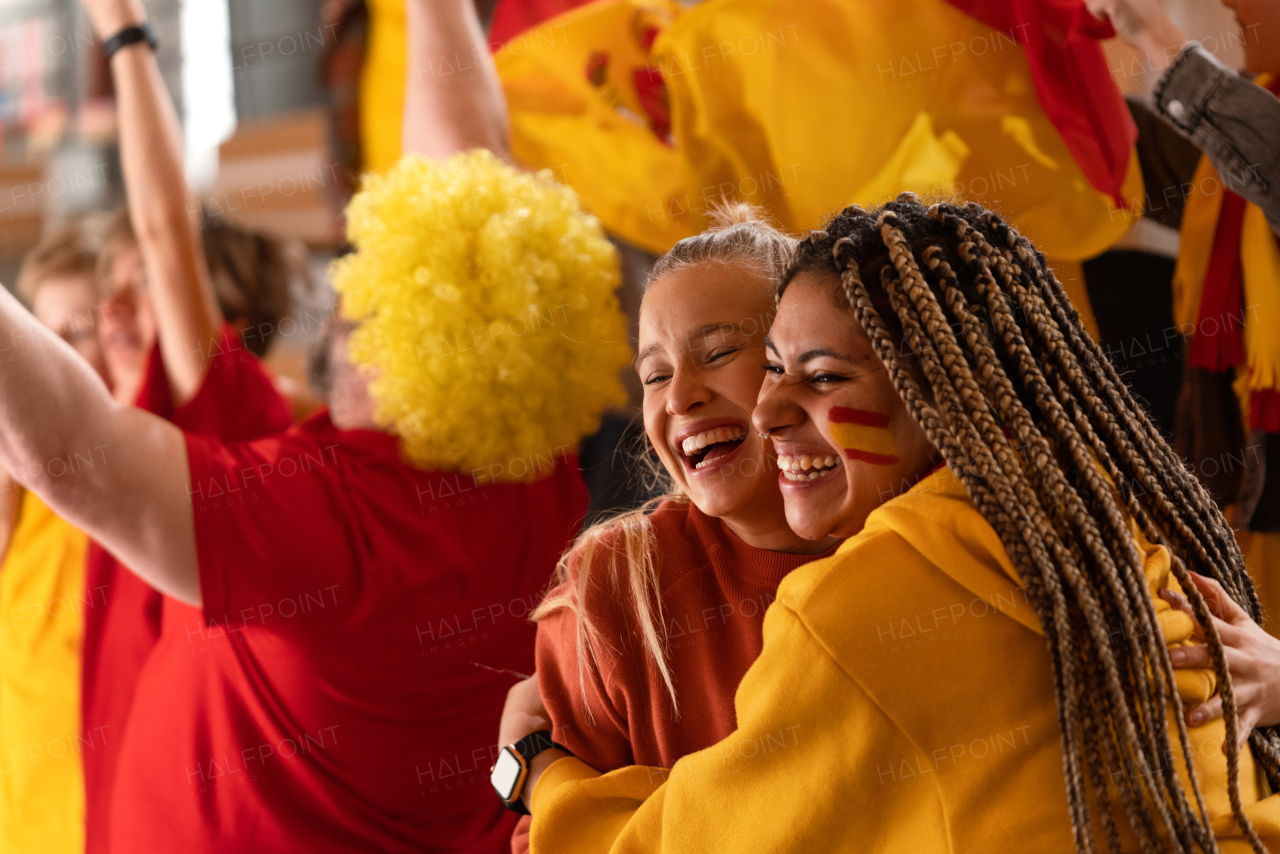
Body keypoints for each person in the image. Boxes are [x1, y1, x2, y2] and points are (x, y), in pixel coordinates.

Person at [0, 1, 631, 852]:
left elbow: (81, 458)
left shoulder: (341, 521)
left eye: (366, 296)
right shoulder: (528, 460)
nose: (342, 293)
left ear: (398, 352)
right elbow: (472, 171)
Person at [503, 195, 1280, 853]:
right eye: (775, 369)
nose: (770, 410)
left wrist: (536, 770)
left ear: (937, 392)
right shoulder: (1101, 525)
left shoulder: (852, 605)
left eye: (820, 376)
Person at [504, 204, 837, 851]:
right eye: (654, 375)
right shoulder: (613, 585)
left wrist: (525, 767)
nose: (680, 395)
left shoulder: (909, 540)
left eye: (718, 353)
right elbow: (556, 833)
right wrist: (522, 772)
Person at [73, 2, 299, 848]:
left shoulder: (232, 410)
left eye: (144, 287)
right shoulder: (132, 421)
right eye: (112, 285)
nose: (117, 307)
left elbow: (167, 230)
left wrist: (125, 35)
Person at [1083, 0, 1280, 627]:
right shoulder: (1248, 121)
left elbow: (1269, 155)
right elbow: (1153, 161)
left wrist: (1154, 37)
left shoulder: (1258, 134)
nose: (1230, 4)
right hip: (1248, 470)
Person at [0, 221, 110, 854]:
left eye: (79, 332)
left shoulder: (149, 481)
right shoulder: (22, 490)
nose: (58, 356)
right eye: (46, 337)